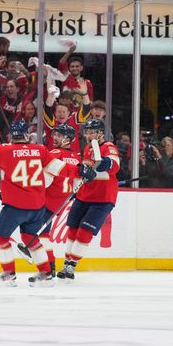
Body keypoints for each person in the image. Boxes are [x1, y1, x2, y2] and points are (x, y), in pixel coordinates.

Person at [0, 119, 86, 287]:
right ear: (27, 135)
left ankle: (9, 273)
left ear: (11, 136)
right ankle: (45, 274)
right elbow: (60, 169)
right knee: (30, 237)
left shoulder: (4, 150)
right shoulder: (40, 150)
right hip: (38, 207)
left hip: (15, 207)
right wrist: (80, 171)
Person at [57, 118, 120, 282]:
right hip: (84, 195)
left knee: (84, 232)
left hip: (103, 199)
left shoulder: (108, 147)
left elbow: (115, 164)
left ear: (100, 133)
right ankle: (66, 262)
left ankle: (72, 265)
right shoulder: (87, 148)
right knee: (72, 229)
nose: (89, 134)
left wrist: (104, 163)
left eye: (92, 132)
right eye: (87, 132)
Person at [18, 123, 82, 276]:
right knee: (44, 234)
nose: (55, 138)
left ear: (67, 139)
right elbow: (77, 182)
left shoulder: (55, 153)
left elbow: (45, 178)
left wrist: (30, 190)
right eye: (55, 134)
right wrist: (73, 192)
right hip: (59, 201)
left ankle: (47, 264)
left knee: (32, 232)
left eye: (59, 136)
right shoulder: (75, 157)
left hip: (46, 199)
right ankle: (51, 265)